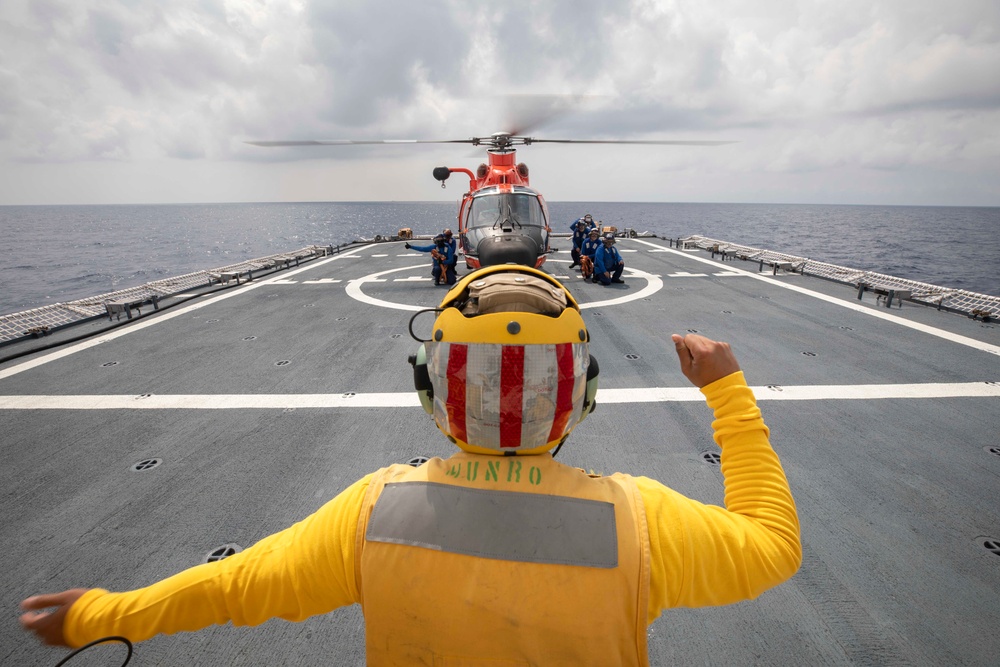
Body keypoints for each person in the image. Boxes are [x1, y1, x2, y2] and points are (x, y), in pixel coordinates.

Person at [21, 266, 800, 666]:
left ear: (432, 391)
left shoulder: (376, 512)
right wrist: (728, 393)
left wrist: (96, 613)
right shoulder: (641, 522)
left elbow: (230, 587)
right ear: (580, 398)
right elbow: (771, 546)